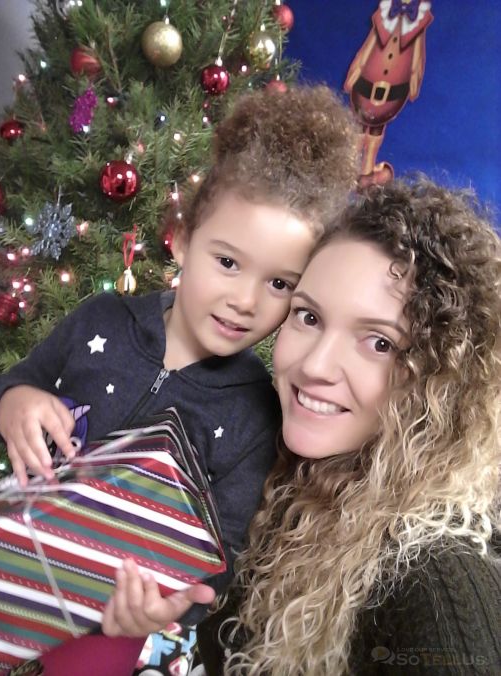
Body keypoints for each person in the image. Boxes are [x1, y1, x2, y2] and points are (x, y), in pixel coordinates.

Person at [0, 85, 359, 675]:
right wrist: (15, 401)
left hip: (112, 622)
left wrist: (166, 608)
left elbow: (224, 554)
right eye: (228, 262)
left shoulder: (255, 414)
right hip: (15, 554)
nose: (245, 301)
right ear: (184, 239)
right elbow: (15, 382)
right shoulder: (101, 319)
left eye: (279, 284)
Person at [194, 176, 501, 675]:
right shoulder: (268, 469)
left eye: (379, 343)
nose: (315, 365)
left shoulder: (437, 584)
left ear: (444, 379)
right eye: (308, 317)